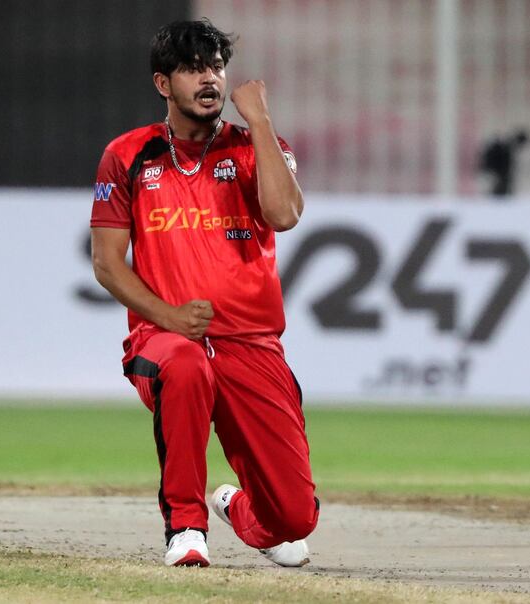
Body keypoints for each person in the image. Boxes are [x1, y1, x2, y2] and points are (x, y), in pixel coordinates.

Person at [89, 19, 318, 568]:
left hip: (252, 343)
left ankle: (235, 505)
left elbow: (284, 214)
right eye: (193, 69)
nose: (209, 79)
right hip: (164, 337)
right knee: (186, 365)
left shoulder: (256, 146)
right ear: (163, 84)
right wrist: (168, 316)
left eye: (215, 66)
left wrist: (259, 119)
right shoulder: (127, 155)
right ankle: (186, 530)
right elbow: (106, 264)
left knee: (294, 519)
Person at [477, 127, 530, 197]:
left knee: (501, 193)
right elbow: (501, 163)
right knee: (500, 194)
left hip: (498, 173)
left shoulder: (507, 145)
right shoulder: (507, 147)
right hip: (497, 173)